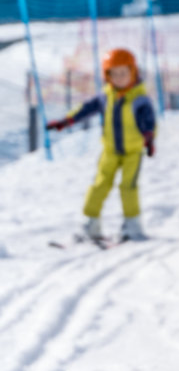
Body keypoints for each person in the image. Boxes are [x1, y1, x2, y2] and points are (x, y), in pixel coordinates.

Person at [45, 48, 156, 242]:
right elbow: (85, 109)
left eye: (124, 73)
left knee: (128, 186)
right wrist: (65, 121)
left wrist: (149, 138)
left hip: (132, 151)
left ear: (133, 72)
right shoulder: (105, 96)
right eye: (115, 74)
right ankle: (91, 224)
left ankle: (132, 226)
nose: (120, 78)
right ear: (108, 76)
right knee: (99, 185)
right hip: (110, 150)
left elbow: (148, 121)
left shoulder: (140, 99)